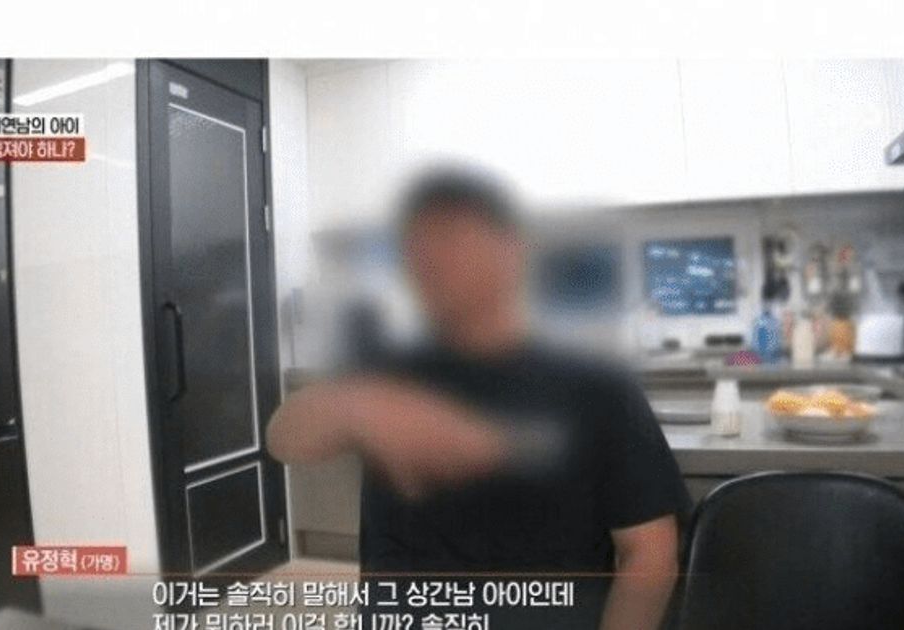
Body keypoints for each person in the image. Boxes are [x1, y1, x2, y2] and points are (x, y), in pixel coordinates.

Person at [266, 166, 689, 629]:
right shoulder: (391, 373)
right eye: (420, 249)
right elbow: (284, 439)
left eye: (456, 243)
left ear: (512, 253)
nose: (436, 265)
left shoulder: (594, 385)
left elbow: (649, 554)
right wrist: (353, 407)